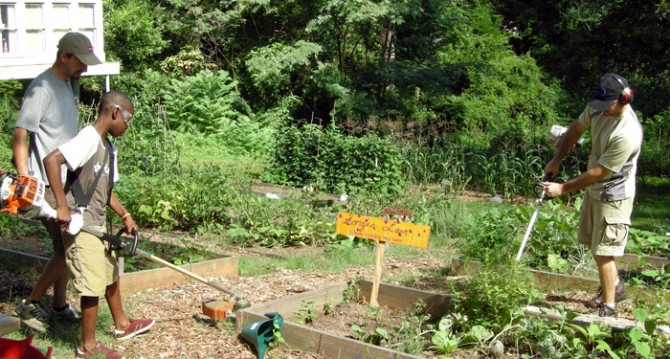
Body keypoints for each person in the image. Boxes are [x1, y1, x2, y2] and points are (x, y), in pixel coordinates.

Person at [44, 90, 154, 359]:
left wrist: (124, 214)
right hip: (80, 225)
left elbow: (104, 191)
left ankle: (122, 325)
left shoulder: (106, 147)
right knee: (92, 283)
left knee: (108, 273)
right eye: (127, 119)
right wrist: (61, 205)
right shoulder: (88, 139)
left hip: (97, 222)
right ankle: (88, 347)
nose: (127, 125)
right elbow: (52, 160)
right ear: (114, 112)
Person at [12, 32, 103, 332]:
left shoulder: (68, 84)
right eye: (81, 62)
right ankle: (31, 304)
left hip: (65, 179)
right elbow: (21, 135)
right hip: (47, 184)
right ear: (64, 55)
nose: (85, 69)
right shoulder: (41, 89)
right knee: (68, 247)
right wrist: (26, 181)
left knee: (62, 247)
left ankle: (60, 305)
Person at [543, 73, 643, 317]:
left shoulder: (627, 133)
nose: (601, 110)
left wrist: (562, 188)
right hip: (596, 187)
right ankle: (616, 287)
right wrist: (556, 159)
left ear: (623, 99)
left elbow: (600, 172)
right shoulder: (599, 108)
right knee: (593, 243)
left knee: (604, 251)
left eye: (606, 105)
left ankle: (609, 307)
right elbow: (575, 130)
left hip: (614, 193)